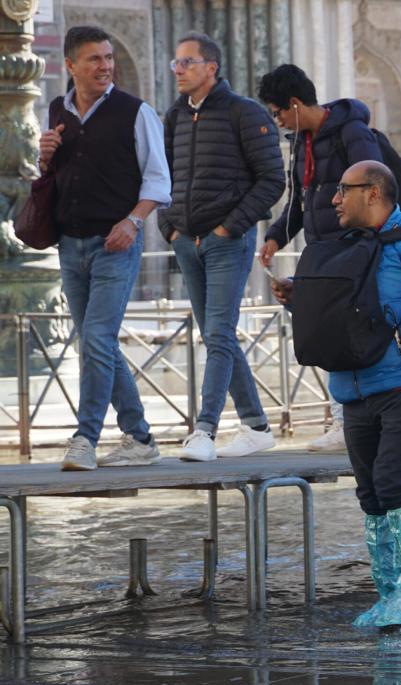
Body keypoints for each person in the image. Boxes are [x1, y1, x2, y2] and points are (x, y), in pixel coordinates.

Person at [272, 161, 401, 628]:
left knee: (395, 481)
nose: (335, 199)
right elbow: (354, 294)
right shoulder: (348, 243)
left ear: (375, 193)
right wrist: (299, 291)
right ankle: (389, 595)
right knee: (369, 493)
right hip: (352, 386)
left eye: (345, 189)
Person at [39, 26, 172, 471]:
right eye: (94, 59)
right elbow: (58, 176)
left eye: (109, 58)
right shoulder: (58, 110)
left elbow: (158, 180)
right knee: (97, 344)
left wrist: (133, 222)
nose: (105, 66)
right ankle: (139, 437)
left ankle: (85, 438)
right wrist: (46, 155)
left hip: (115, 244)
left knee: (96, 338)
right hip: (69, 244)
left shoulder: (136, 112)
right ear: (71, 65)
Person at [161, 31, 285, 461]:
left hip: (225, 243)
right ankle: (257, 426)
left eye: (187, 62)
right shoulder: (175, 116)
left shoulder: (244, 113)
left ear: (211, 67)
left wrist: (229, 228)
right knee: (219, 335)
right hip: (186, 242)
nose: (179, 70)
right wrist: (170, 228)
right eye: (176, 63)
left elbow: (273, 180)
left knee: (216, 335)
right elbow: (163, 178)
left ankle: (205, 430)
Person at [256, 63, 384, 453]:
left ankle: (352, 421)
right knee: (328, 334)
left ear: (295, 104)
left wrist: (364, 244)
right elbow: (299, 200)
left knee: (348, 333)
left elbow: (376, 186)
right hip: (323, 253)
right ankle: (343, 419)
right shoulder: (302, 143)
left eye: (278, 112)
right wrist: (277, 236)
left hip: (353, 253)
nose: (277, 121)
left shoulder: (352, 133)